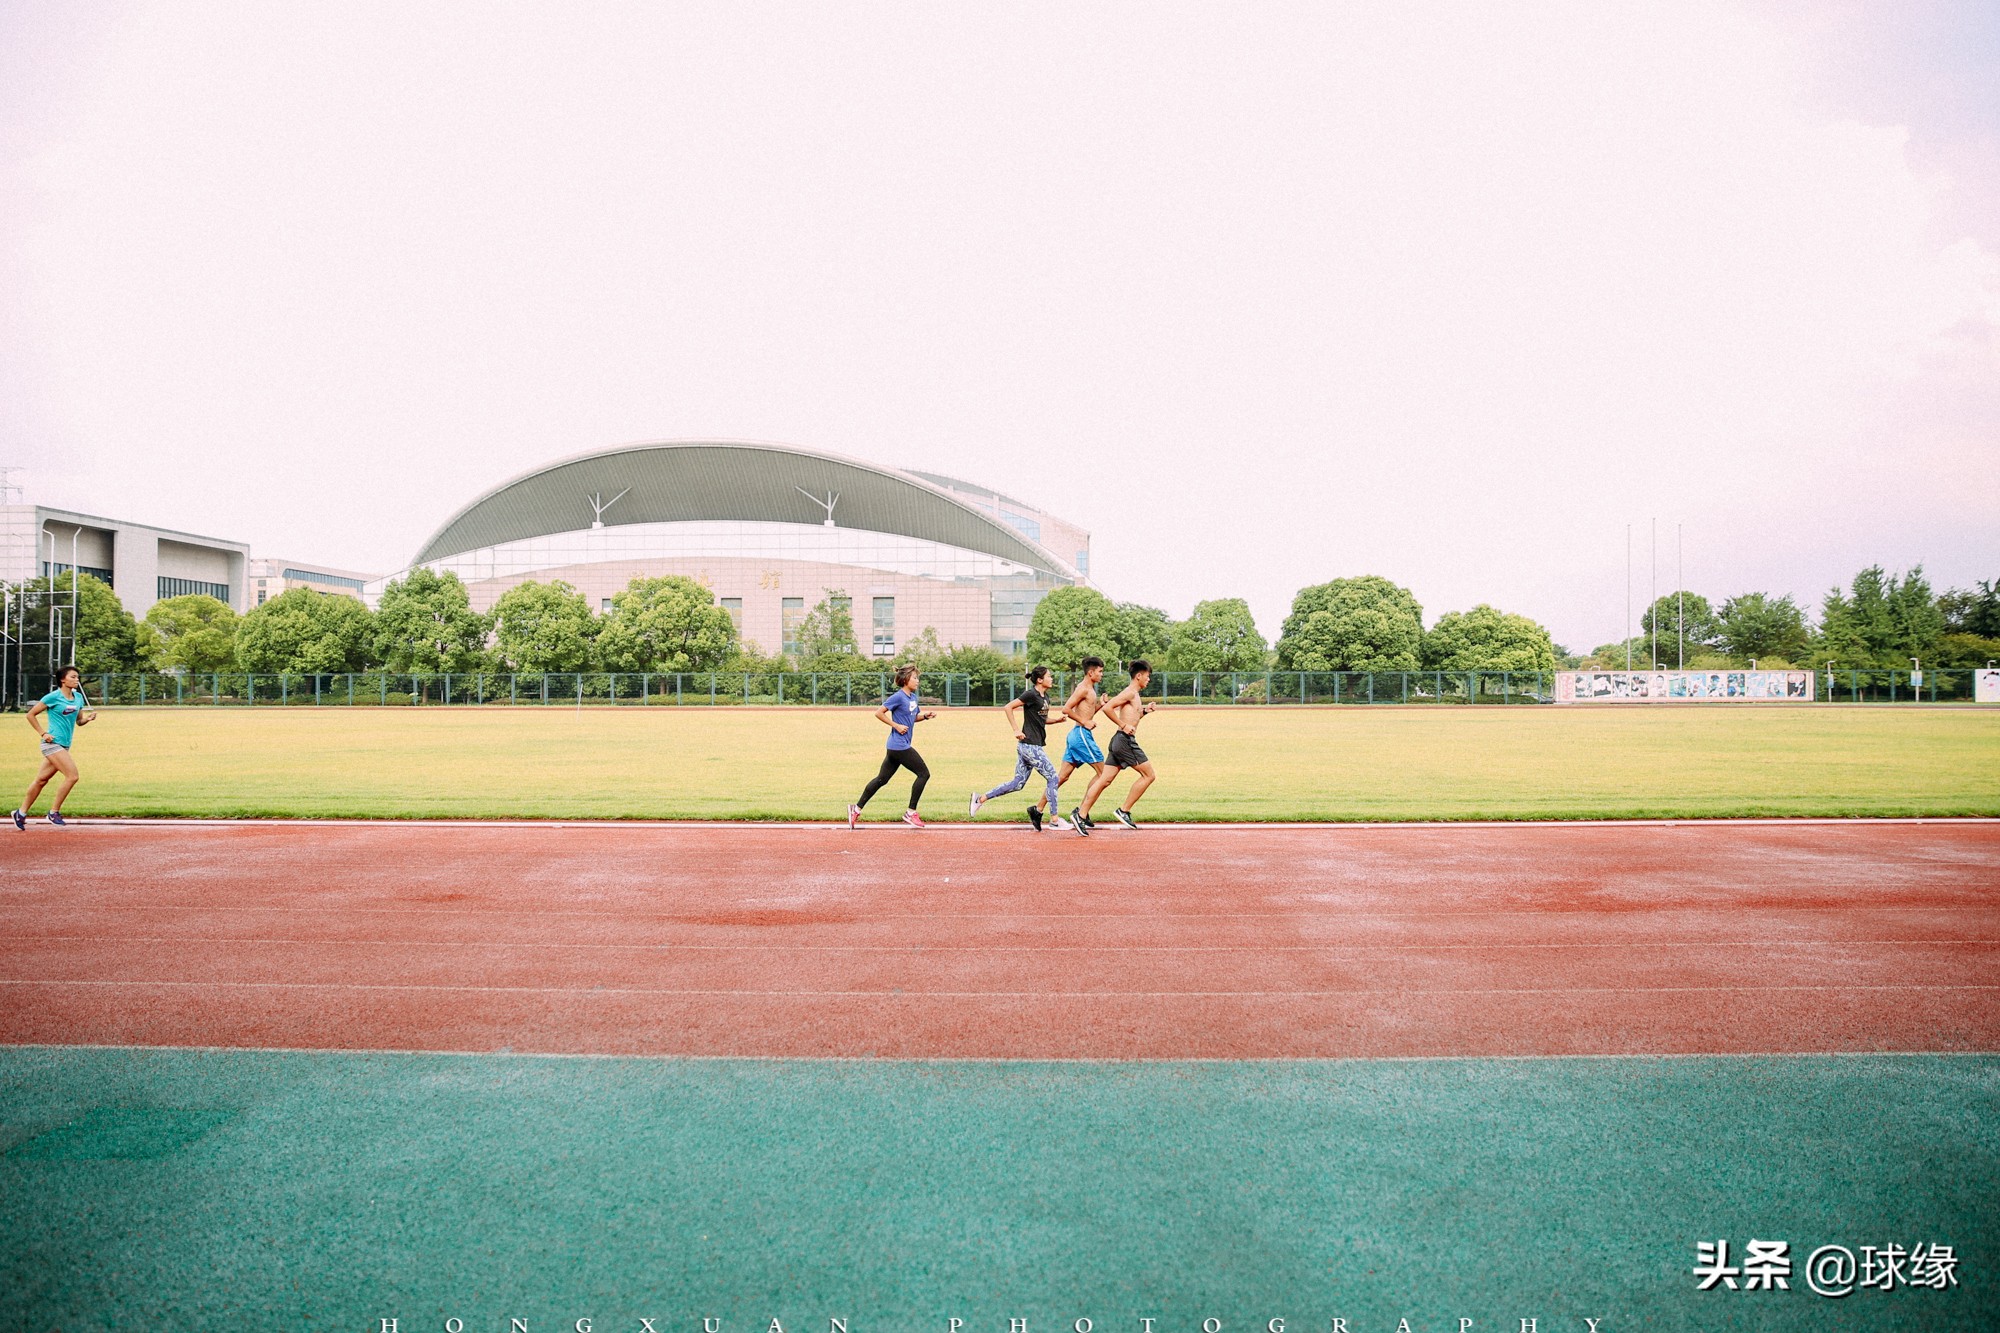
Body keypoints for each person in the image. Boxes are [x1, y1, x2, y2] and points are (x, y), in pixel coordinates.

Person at [969, 665, 1071, 831]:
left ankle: (980, 799)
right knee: (1053, 778)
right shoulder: (1031, 694)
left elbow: (1042, 719)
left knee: (1017, 783)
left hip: (1029, 746)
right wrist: (1016, 730)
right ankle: (1054, 820)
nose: (1051, 678)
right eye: (1049, 676)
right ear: (1040, 680)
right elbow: (1008, 707)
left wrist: (1057, 721)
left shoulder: (1046, 697)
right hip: (1030, 746)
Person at [1074, 658, 1159, 832]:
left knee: (1104, 780)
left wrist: (1145, 711)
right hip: (1125, 741)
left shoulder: (1135, 695)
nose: (1149, 679)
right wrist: (1122, 725)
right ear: (1139, 676)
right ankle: (1124, 810)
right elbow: (1108, 708)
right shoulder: (1130, 692)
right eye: (1147, 676)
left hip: (1119, 741)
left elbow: (1132, 717)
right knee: (1149, 775)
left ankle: (1081, 814)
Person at [849, 664, 938, 828]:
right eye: (915, 678)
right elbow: (879, 712)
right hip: (899, 746)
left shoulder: (912, 698)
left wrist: (925, 716)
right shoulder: (898, 697)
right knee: (923, 774)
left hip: (895, 747)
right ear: (905, 680)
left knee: (881, 779)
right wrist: (896, 725)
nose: (917, 681)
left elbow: (912, 717)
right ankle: (910, 812)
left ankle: (856, 809)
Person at [15, 665, 95, 830]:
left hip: (64, 745)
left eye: (77, 677)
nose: (77, 680)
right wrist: (43, 733)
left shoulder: (78, 697)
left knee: (41, 780)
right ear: (62, 680)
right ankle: (53, 812)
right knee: (72, 776)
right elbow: (30, 715)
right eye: (73, 677)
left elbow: (79, 722)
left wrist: (87, 719)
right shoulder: (53, 697)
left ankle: (20, 813)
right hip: (52, 744)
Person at [1044, 656, 1109, 833]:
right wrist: (1084, 722)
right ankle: (1081, 813)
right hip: (1081, 734)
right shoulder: (1083, 688)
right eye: (1100, 671)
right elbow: (1066, 709)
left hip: (1077, 734)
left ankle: (1038, 808)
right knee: (1104, 774)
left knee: (1062, 777)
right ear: (1091, 672)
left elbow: (1087, 713)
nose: (1102, 674)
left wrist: (1101, 705)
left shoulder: (1090, 689)